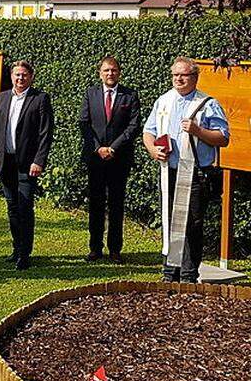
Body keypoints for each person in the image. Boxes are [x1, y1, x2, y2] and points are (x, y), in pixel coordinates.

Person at [142, 57, 229, 283]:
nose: (178, 79)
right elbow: (148, 131)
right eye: (175, 75)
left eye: (184, 75)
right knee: (170, 222)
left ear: (195, 77)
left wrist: (198, 131)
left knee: (191, 224)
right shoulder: (163, 101)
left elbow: (223, 138)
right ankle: (170, 272)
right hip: (168, 172)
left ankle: (189, 275)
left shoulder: (207, 103)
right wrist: (153, 150)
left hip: (195, 174)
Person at [0, 60, 53, 270]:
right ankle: (16, 248)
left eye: (24, 75)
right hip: (6, 162)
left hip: (28, 164)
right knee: (12, 207)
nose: (20, 78)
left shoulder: (40, 99)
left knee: (25, 207)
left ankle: (25, 253)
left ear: (31, 77)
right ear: (11, 77)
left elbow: (45, 134)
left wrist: (39, 161)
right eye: (17, 75)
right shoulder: (2, 97)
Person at [78, 56, 142, 263]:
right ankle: (95, 248)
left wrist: (113, 148)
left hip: (119, 159)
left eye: (113, 70)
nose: (110, 74)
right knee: (96, 204)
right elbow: (84, 124)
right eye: (106, 70)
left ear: (119, 72)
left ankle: (115, 249)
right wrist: (98, 148)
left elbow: (133, 126)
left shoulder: (130, 95)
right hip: (95, 159)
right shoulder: (90, 94)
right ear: (100, 73)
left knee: (116, 205)